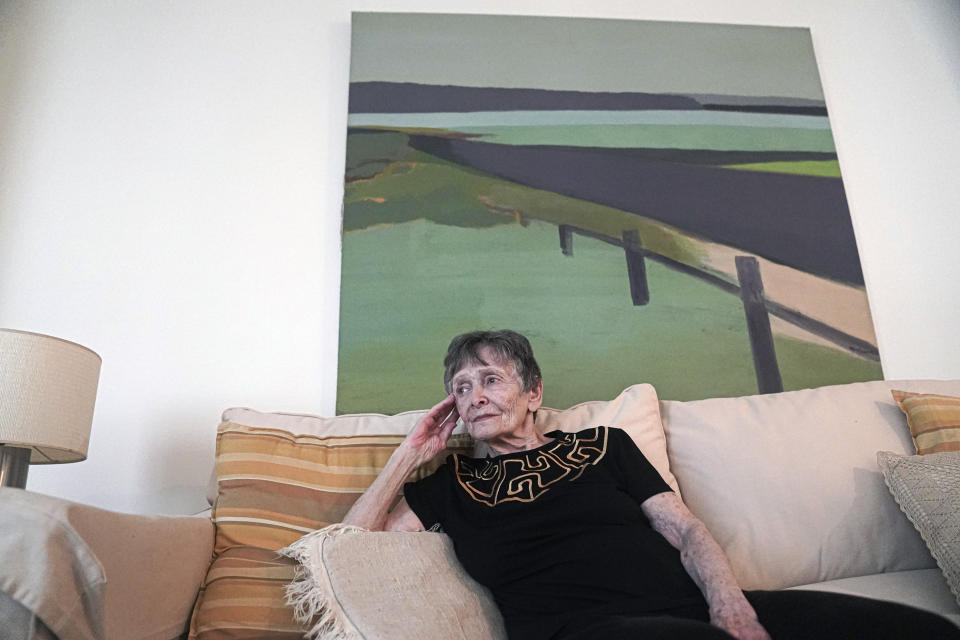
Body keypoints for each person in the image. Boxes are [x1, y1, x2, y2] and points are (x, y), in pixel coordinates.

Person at [343, 330, 959, 640]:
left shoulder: (603, 446)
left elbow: (685, 529)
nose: (473, 396)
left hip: (691, 609)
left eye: (489, 380)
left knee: (915, 631)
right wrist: (408, 453)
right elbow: (351, 546)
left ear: (533, 394)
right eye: (460, 387)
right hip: (581, 632)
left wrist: (730, 605)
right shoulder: (454, 483)